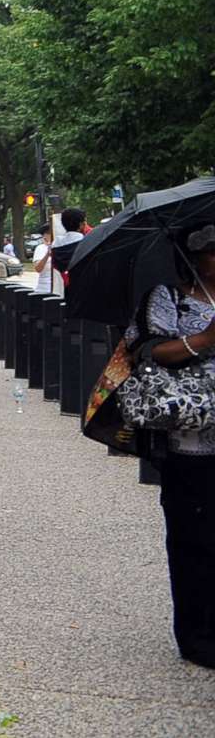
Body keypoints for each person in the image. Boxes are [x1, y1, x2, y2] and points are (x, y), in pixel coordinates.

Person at [137, 224, 215, 666]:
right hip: (191, 441)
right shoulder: (169, 298)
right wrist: (205, 339)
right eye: (213, 251)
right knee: (196, 538)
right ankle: (198, 636)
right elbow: (148, 352)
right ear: (194, 256)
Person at [38, 209, 93, 295]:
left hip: (68, 290)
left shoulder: (56, 246)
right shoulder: (87, 243)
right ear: (82, 224)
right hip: (87, 291)